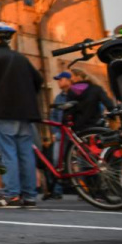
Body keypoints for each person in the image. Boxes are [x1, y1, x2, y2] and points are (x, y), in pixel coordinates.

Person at [0, 22, 43, 209]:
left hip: (3, 111)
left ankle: (12, 195)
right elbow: (39, 80)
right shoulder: (20, 58)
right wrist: (26, 95)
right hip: (25, 113)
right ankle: (29, 196)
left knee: (8, 153)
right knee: (26, 153)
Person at [43, 71, 73, 200]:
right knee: (57, 161)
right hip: (61, 133)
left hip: (74, 132)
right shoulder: (58, 97)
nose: (59, 82)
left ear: (68, 80)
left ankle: (87, 190)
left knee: (80, 161)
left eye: (61, 79)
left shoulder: (74, 94)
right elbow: (53, 115)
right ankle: (57, 190)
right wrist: (55, 132)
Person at [65, 68, 115, 133]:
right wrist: (112, 115)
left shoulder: (71, 91)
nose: (70, 79)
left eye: (71, 76)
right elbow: (109, 104)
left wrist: (65, 122)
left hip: (79, 129)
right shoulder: (96, 88)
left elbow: (68, 110)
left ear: (78, 76)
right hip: (96, 125)